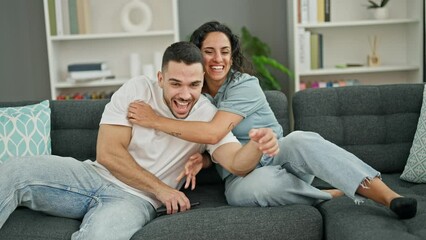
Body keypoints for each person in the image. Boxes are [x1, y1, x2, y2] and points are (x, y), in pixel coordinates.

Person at [127, 21, 417, 219]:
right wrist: (202, 161)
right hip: (241, 175)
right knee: (259, 188)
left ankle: (389, 197)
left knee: (301, 138)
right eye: (209, 51)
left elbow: (214, 131)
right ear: (196, 55)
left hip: (279, 157)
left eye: (225, 52)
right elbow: (215, 145)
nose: (218, 59)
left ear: (232, 55)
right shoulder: (190, 95)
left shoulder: (245, 85)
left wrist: (154, 120)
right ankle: (325, 193)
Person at [0, 41, 280, 240]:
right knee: (15, 169)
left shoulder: (207, 115)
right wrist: (163, 190)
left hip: (134, 202)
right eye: (176, 84)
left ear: (202, 80)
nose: (185, 94)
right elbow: (108, 153)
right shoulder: (138, 89)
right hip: (92, 176)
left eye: (194, 85)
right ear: (160, 78)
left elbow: (236, 163)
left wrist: (257, 145)